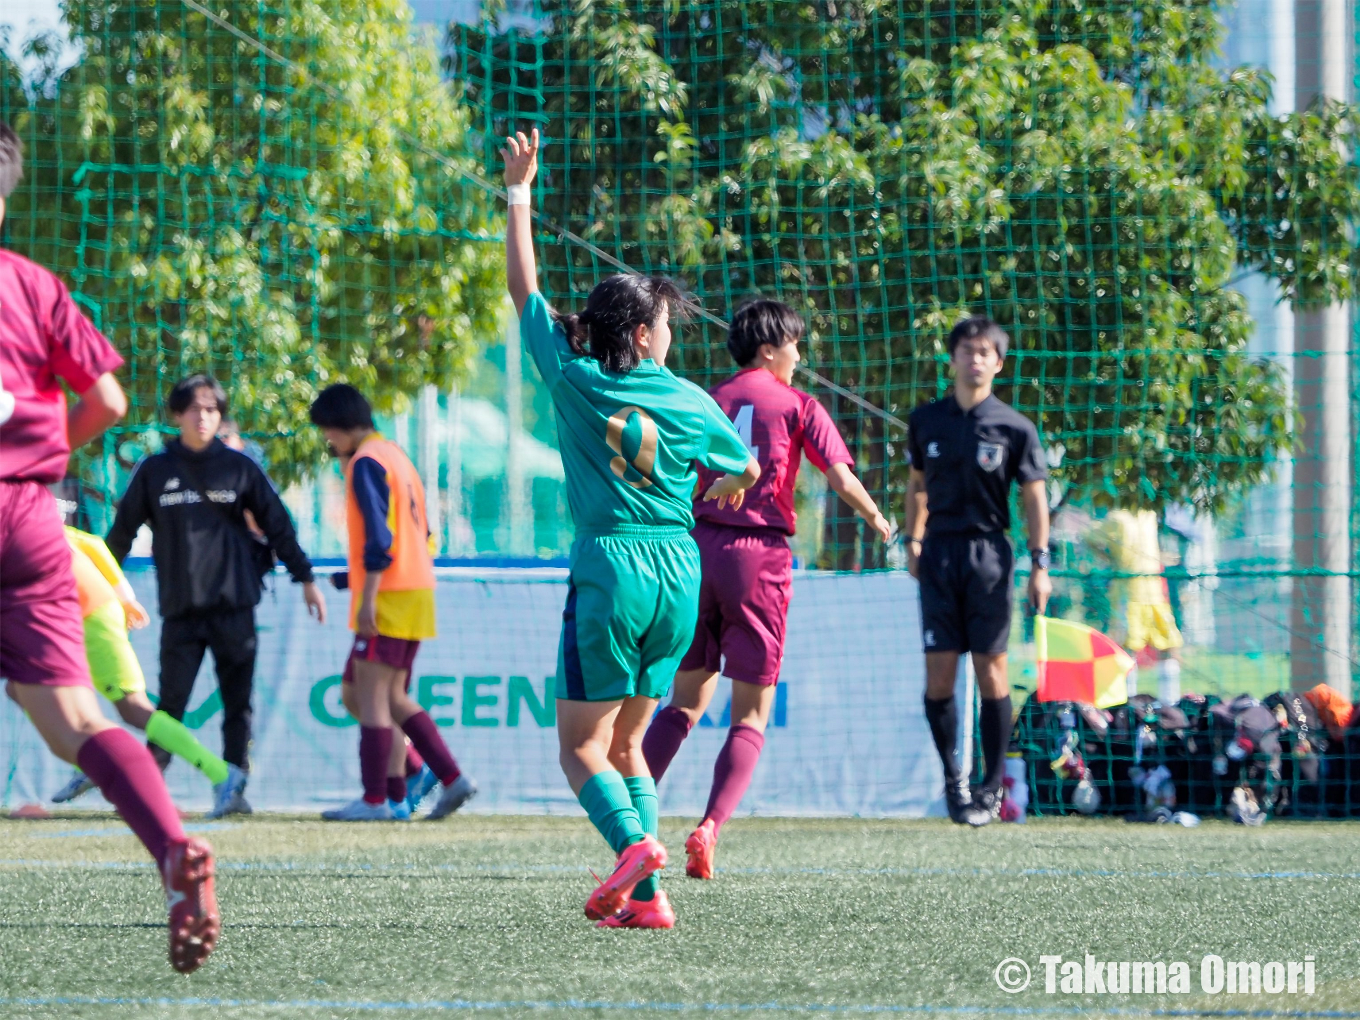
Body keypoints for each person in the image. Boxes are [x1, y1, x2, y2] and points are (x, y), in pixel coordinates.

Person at [502, 128, 759, 928]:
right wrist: (715, 484)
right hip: (680, 571)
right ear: (644, 335)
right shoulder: (690, 399)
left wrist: (519, 193)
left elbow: (525, 292)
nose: (672, 332)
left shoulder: (576, 378)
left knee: (580, 747)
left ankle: (633, 851)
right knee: (626, 746)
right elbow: (746, 470)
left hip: (610, 568)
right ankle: (649, 899)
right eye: (666, 322)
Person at [0, 121, 218, 973]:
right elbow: (111, 398)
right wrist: (44, 455)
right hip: (27, 519)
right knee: (78, 717)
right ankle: (170, 848)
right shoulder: (34, 286)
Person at [640, 297, 892, 879]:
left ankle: (629, 822)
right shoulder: (798, 404)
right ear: (770, 348)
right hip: (760, 559)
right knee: (750, 714)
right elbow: (840, 476)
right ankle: (709, 829)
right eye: (796, 345)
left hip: (697, 549)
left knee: (683, 702)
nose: (799, 357)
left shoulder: (709, 399)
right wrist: (878, 519)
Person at [105, 374, 327, 815]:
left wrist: (305, 577)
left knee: (237, 704)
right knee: (169, 705)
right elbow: (121, 534)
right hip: (181, 611)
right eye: (193, 408)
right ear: (176, 415)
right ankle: (147, 788)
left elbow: (279, 525)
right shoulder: (154, 470)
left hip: (235, 606)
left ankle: (233, 785)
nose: (203, 417)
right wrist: (104, 585)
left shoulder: (240, 467)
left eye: (211, 409)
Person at [904, 315, 1051, 827]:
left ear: (998, 363)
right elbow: (917, 484)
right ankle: (954, 781)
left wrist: (1040, 563)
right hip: (939, 555)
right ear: (952, 358)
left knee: (992, 669)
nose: (975, 359)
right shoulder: (927, 420)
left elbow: (1034, 497)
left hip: (990, 557)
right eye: (966, 350)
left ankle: (991, 787)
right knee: (939, 672)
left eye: (985, 352)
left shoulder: (1015, 427)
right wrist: (913, 540)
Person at [309, 383, 477, 821]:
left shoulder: (365, 462)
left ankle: (380, 798)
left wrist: (366, 596)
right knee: (370, 694)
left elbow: (382, 540)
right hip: (414, 587)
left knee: (375, 698)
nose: (328, 440)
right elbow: (415, 534)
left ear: (341, 425)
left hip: (389, 593)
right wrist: (356, 575)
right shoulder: (395, 455)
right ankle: (430, 780)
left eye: (328, 431)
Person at [50, 527, 248, 818]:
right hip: (71, 617)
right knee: (28, 689)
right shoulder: (22, 511)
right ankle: (90, 762)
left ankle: (222, 774)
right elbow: (90, 542)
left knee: (133, 708)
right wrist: (124, 597)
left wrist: (125, 599)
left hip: (90, 615)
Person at [1084, 509, 1184, 702]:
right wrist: (1109, 557)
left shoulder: (1149, 513)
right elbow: (1088, 536)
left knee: (1169, 646)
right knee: (1127, 650)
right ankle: (1128, 704)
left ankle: (1170, 703)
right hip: (1128, 595)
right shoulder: (1116, 517)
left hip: (1155, 594)